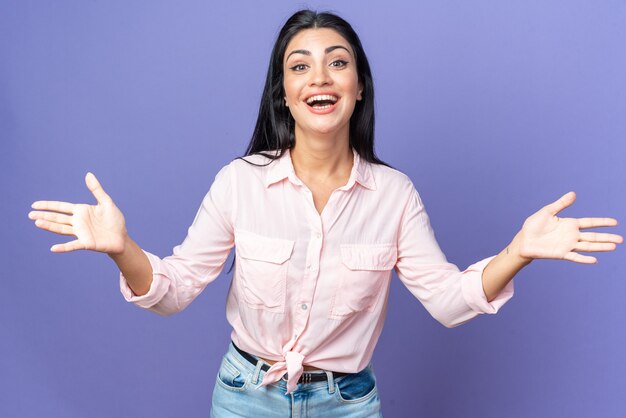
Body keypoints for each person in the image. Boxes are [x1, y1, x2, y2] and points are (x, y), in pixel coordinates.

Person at [28, 9, 622, 418]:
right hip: (245, 398)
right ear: (283, 92)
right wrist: (122, 249)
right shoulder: (239, 182)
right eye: (300, 65)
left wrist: (518, 252)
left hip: (349, 402)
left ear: (359, 86)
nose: (320, 76)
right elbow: (174, 290)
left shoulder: (395, 195)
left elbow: (447, 301)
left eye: (337, 62)